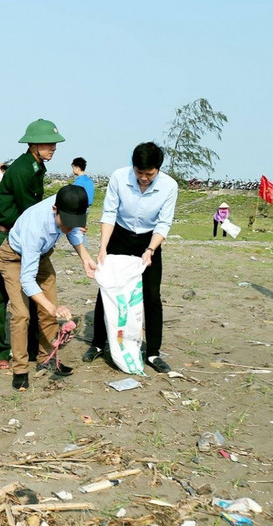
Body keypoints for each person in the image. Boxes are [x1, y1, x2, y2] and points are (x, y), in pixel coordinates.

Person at [82, 142, 178, 374]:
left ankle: (153, 352)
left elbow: (164, 223)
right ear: (132, 166)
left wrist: (150, 250)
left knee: (152, 295)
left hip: (148, 239)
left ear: (158, 170)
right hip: (120, 236)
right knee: (107, 289)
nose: (143, 178)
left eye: (149, 174)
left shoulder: (169, 186)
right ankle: (97, 344)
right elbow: (109, 212)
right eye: (139, 172)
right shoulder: (119, 177)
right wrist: (103, 247)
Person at [0, 119, 65, 370]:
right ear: (33, 144)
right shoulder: (23, 170)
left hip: (23, 239)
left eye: (54, 143)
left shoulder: (36, 167)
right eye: (48, 143)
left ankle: (32, 349)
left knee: (29, 294)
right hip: (2, 237)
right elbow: (29, 212)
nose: (53, 148)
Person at [0, 186, 96, 389]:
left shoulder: (72, 202)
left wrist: (85, 258)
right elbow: (27, 280)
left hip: (41, 257)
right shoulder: (36, 229)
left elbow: (74, 232)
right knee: (22, 314)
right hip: (13, 258)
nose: (68, 228)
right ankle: (20, 369)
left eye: (74, 222)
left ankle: (47, 358)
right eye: (65, 223)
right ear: (54, 209)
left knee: (50, 310)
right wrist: (50, 307)